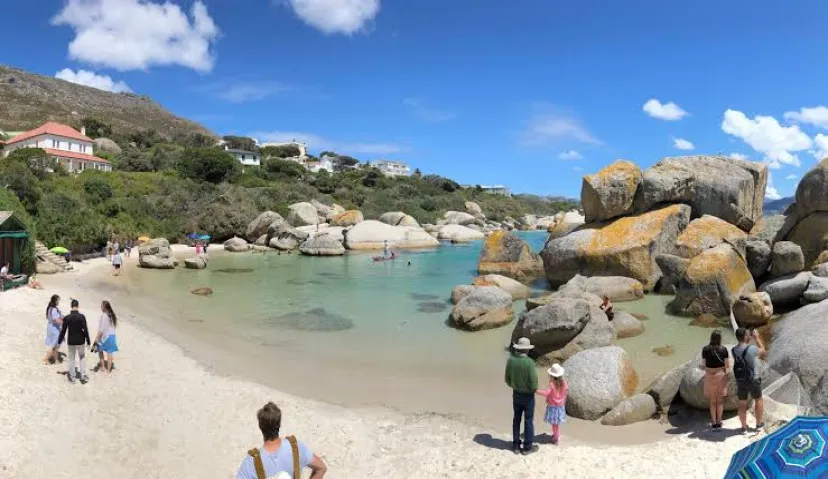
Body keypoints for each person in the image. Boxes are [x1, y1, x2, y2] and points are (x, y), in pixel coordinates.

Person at [235, 402, 327, 479]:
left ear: (260, 426)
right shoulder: (295, 447)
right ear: (279, 424)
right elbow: (321, 468)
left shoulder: (251, 462)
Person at [504, 337, 538, 455]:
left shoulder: (511, 360)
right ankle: (527, 447)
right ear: (527, 350)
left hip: (516, 394)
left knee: (516, 419)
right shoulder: (530, 363)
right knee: (528, 421)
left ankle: (516, 445)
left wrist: (515, 386)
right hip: (528, 397)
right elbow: (534, 385)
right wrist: (530, 390)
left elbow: (507, 380)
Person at [733, 327, 766, 433]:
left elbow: (743, 350)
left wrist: (748, 339)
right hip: (753, 378)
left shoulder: (733, 350)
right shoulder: (751, 348)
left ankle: (743, 428)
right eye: (747, 335)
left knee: (742, 403)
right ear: (745, 336)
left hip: (740, 379)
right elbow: (763, 351)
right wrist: (757, 338)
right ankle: (758, 425)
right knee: (758, 400)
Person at [57, 299, 91, 384]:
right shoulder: (82, 316)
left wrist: (59, 341)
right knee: (82, 357)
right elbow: (85, 329)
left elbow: (63, 331)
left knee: (71, 359)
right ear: (78, 306)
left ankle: (72, 378)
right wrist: (88, 341)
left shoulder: (67, 317)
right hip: (81, 341)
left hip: (71, 341)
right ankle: (82, 376)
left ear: (71, 306)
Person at [702, 330, 729, 429]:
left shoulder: (705, 349)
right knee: (720, 401)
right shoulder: (724, 349)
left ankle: (713, 422)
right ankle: (719, 421)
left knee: (712, 401)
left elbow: (704, 365)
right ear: (720, 339)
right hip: (720, 375)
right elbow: (727, 365)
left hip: (709, 375)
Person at [536, 363, 567, 445]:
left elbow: (546, 393)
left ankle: (556, 439)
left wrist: (536, 391)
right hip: (560, 406)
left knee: (554, 425)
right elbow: (566, 389)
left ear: (552, 376)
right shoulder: (564, 382)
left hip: (553, 407)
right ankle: (556, 435)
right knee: (556, 424)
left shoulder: (552, 384)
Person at [93, 301, 119, 373]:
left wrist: (96, 339)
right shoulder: (111, 315)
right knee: (110, 353)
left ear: (105, 307)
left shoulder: (103, 316)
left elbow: (101, 330)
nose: (100, 307)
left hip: (106, 337)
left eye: (101, 306)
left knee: (100, 350)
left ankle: (103, 367)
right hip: (112, 336)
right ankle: (108, 371)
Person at [43, 295, 63, 364]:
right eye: (58, 300)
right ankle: (46, 359)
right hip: (55, 329)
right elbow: (57, 320)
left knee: (56, 345)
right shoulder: (54, 309)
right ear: (55, 301)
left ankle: (56, 359)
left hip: (50, 327)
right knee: (54, 345)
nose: (59, 302)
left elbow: (58, 317)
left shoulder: (50, 308)